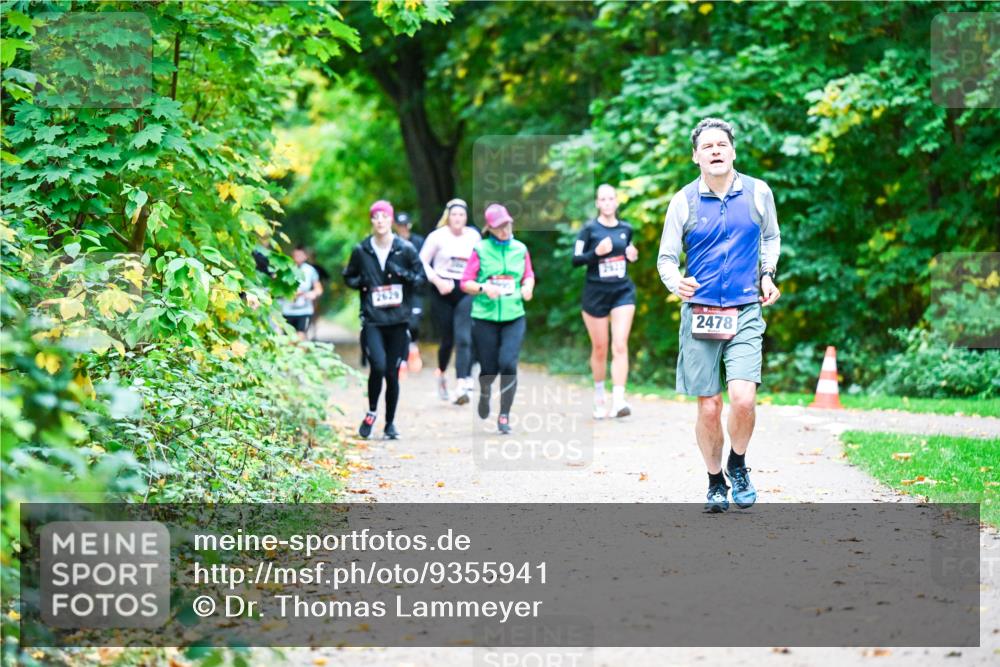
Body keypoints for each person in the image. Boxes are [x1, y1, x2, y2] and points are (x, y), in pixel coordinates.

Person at [656, 117, 781, 513]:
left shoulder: (759, 193)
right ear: (695, 156)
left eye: (721, 145)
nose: (715, 151)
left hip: (744, 309)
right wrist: (676, 282)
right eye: (706, 146)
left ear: (732, 151)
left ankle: (738, 464)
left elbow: (771, 238)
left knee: (743, 398)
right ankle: (714, 482)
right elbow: (666, 258)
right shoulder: (684, 201)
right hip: (700, 313)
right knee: (709, 405)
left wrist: (767, 274)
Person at [343, 200, 426, 440]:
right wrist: (363, 284)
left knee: (392, 372)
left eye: (384, 217)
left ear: (390, 220)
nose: (380, 221)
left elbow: (421, 280)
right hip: (373, 320)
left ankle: (390, 423)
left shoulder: (405, 249)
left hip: (399, 321)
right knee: (377, 367)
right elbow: (348, 276)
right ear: (372, 221)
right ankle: (371, 412)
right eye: (375, 217)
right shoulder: (362, 250)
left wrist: (404, 276)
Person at [460, 203, 535, 435]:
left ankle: (504, 415)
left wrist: (528, 287)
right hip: (485, 317)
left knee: (508, 363)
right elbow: (465, 282)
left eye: (507, 225)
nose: (504, 230)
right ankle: (484, 392)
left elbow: (528, 275)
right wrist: (484, 288)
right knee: (489, 368)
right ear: (489, 229)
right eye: (498, 227)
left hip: (514, 315)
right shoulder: (481, 249)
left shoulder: (520, 249)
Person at [572, 184, 639, 419]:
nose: (608, 203)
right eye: (603, 199)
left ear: (617, 202)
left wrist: (632, 256)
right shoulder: (589, 229)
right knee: (600, 348)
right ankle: (599, 395)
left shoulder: (626, 229)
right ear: (598, 203)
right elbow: (575, 260)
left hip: (622, 292)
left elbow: (625, 255)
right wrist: (596, 253)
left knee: (620, 344)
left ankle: (619, 400)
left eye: (612, 198)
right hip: (595, 294)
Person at [420, 198, 481, 404]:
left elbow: (482, 260)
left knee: (464, 337)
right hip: (442, 291)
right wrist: (437, 281)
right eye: (454, 214)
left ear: (466, 217)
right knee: (447, 339)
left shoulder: (473, 236)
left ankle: (462, 383)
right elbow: (421, 263)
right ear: (448, 216)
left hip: (465, 290)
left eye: (461, 215)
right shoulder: (437, 237)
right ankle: (443, 373)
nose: (458, 218)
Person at [394, 212, 426, 373]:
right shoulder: (391, 242)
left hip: (415, 290)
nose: (403, 229)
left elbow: (424, 264)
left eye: (405, 225)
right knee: (400, 321)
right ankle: (403, 358)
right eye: (400, 226)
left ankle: (413, 347)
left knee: (414, 322)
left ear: (409, 225)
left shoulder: (419, 242)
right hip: (398, 290)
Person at [280, 246, 323, 341]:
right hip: (287, 310)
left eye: (300, 255)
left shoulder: (310, 270)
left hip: (304, 311)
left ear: (305, 256)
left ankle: (300, 354)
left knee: (301, 337)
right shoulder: (285, 268)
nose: (297, 258)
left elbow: (318, 289)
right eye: (295, 255)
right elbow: (277, 288)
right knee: (288, 340)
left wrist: (312, 294)